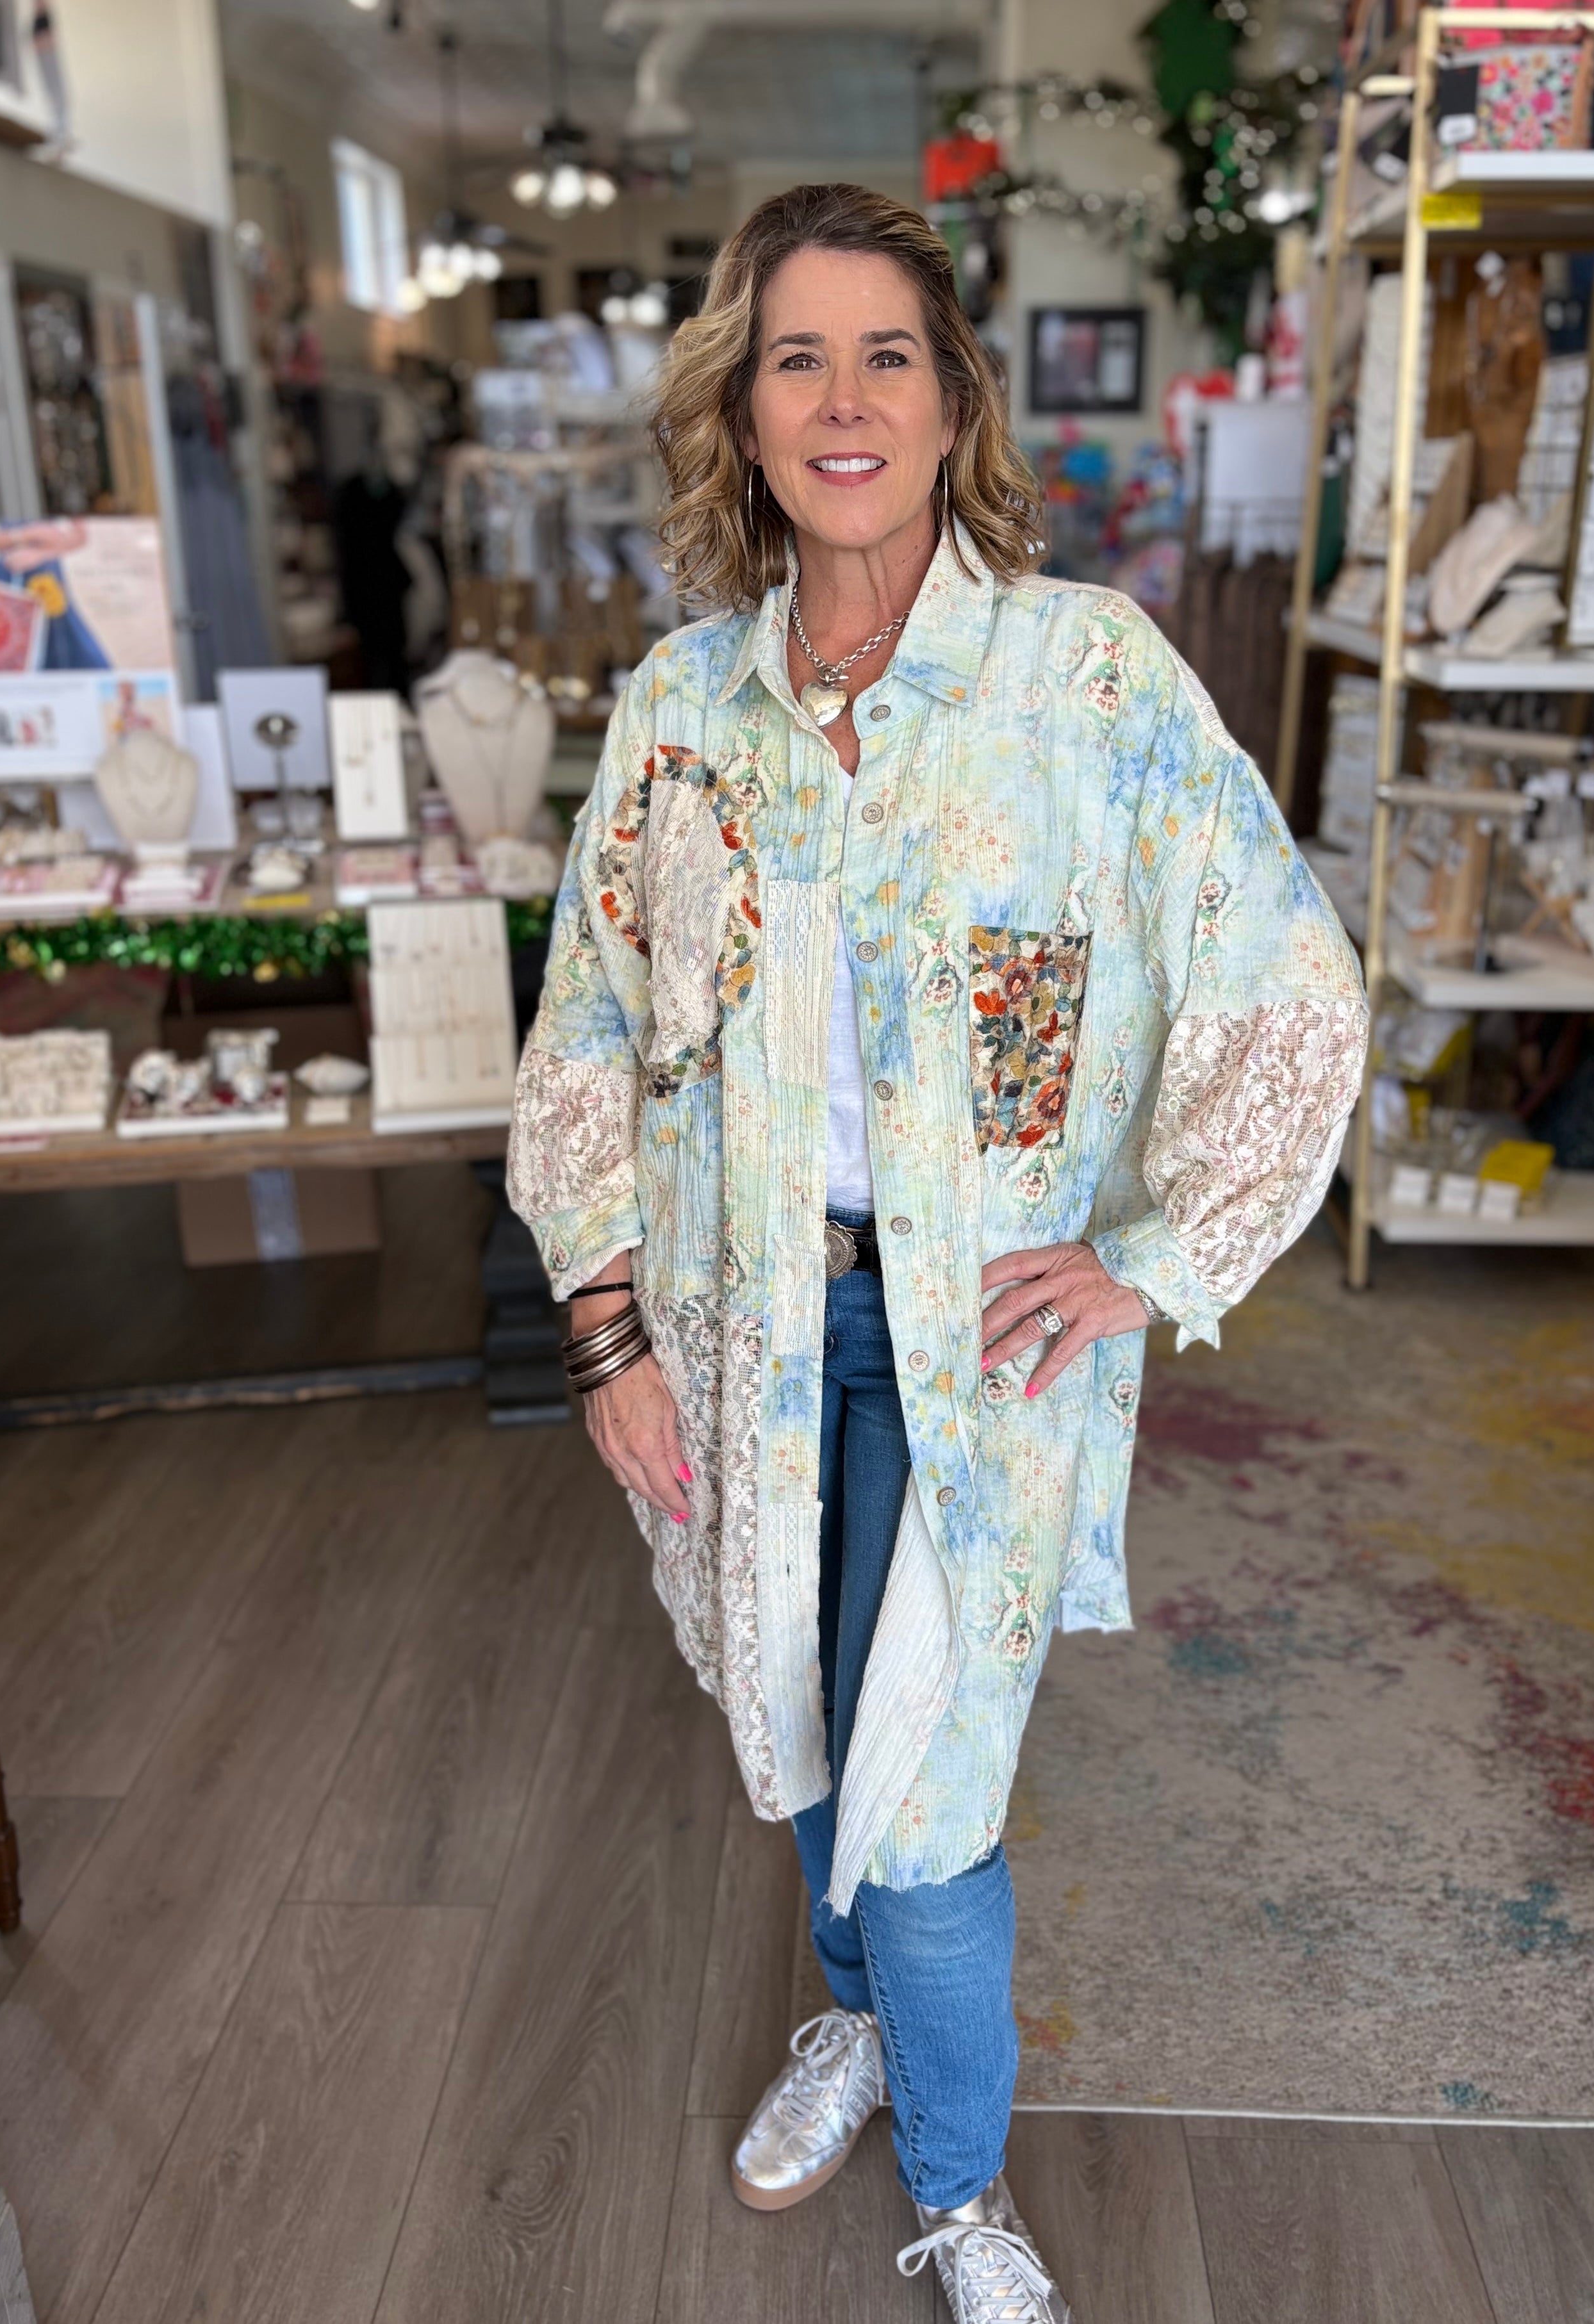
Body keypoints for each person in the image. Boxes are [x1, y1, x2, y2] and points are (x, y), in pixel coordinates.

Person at [507, 182, 1367, 2323]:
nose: (843, 395)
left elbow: (1288, 980)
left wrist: (1154, 1253)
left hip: (975, 1340)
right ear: (745, 408)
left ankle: (966, 2192)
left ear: (955, 391)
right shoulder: (686, 709)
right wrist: (604, 1323)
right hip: (739, 1321)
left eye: (886, 350)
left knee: (934, 1781)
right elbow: (591, 1020)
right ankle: (861, 2022)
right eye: (795, 354)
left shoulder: (1086, 681)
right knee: (803, 1723)